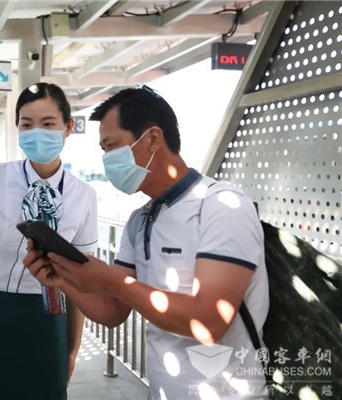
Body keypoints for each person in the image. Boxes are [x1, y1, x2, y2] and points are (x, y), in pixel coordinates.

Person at [24, 86, 269, 399]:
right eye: (103, 150)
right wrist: (63, 279)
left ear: (153, 138)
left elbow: (210, 322)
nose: (107, 160)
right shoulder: (140, 221)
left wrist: (114, 282)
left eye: (112, 146)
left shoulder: (221, 205)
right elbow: (112, 311)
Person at [0, 82, 98, 400]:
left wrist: (72, 350)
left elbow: (82, 280)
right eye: (27, 124)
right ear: (17, 128)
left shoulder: (84, 196)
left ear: (68, 127)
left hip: (46, 314)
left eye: (48, 124)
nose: (36, 133)